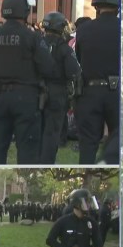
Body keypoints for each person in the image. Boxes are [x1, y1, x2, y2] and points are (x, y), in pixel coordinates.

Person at [0, 0, 55, 164]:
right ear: (24, 12)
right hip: (27, 99)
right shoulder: (32, 37)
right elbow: (48, 68)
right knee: (27, 149)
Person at [74, 0, 121, 164]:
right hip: (116, 93)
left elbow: (79, 59)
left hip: (90, 91)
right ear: (117, 7)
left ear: (96, 7)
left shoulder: (83, 29)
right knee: (118, 142)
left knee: (87, 144)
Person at [40, 11, 81, 163]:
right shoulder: (64, 48)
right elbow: (74, 72)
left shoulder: (37, 44)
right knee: (52, 132)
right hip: (57, 93)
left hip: (37, 91)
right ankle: (47, 161)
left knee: (38, 129)